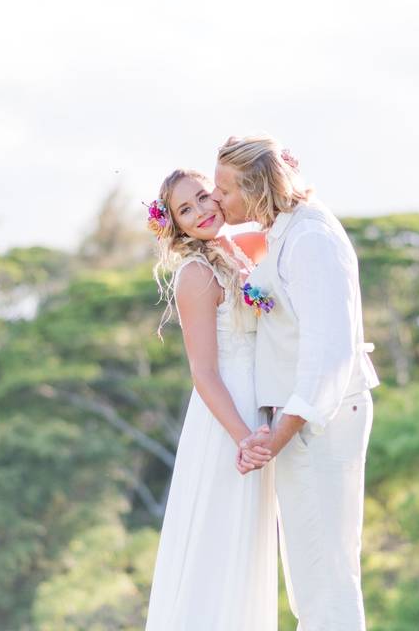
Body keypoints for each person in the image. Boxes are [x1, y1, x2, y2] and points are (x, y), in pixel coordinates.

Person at [212, 135, 379, 631]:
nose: (217, 199)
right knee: (309, 570)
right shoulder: (285, 231)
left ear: (258, 187)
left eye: (224, 189)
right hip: (299, 424)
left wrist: (273, 439)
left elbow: (328, 357)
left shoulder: (312, 240)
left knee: (326, 568)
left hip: (316, 425)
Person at [144, 168, 277, 631]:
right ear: (176, 225)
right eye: (186, 209)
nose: (201, 210)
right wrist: (245, 438)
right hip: (227, 424)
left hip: (257, 416)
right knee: (218, 543)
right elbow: (203, 373)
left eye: (203, 197)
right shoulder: (196, 274)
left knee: (246, 549)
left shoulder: (237, 255)